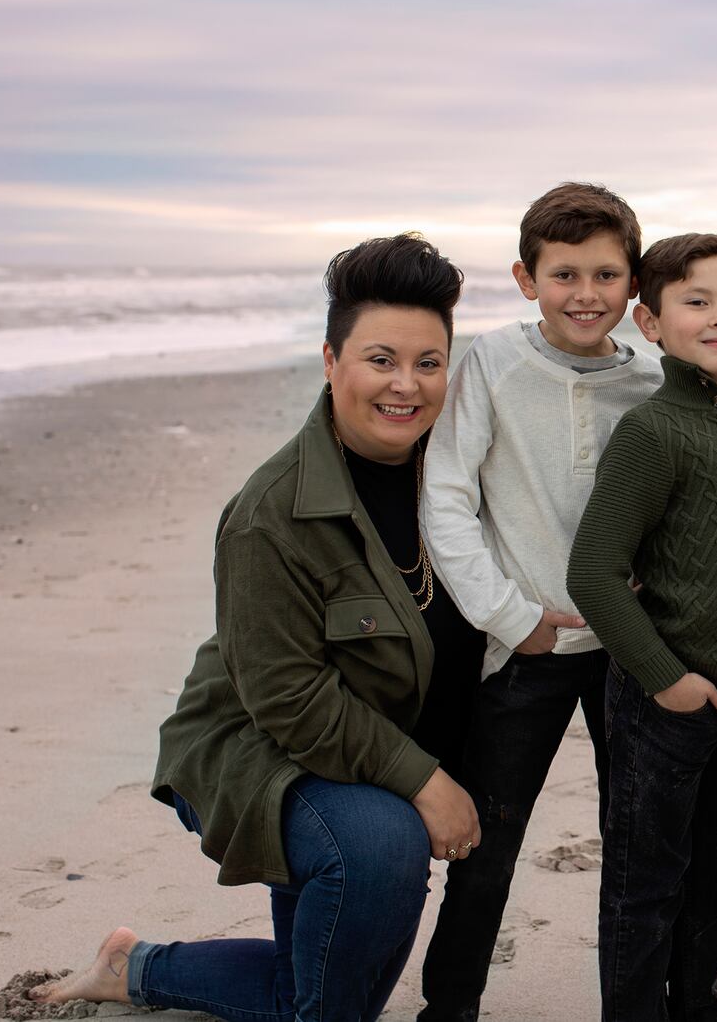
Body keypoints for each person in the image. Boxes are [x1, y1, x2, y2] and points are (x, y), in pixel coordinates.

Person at [32, 233, 483, 1022]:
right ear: (330, 361)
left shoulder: (460, 472)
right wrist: (425, 780)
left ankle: (133, 967)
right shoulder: (270, 512)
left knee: (312, 993)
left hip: (363, 751)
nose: (405, 386)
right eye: (380, 359)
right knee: (381, 849)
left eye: (428, 363)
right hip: (254, 745)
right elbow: (288, 700)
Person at [416, 181, 662, 1020]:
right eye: (565, 274)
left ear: (633, 285)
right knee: (487, 843)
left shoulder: (660, 379)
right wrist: (512, 619)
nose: (585, 295)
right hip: (522, 647)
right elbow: (446, 499)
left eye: (605, 275)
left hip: (633, 652)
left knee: (636, 849)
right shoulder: (490, 362)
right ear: (527, 278)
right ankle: (447, 1007)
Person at [566, 233, 717, 1022]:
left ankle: (699, 1005)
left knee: (709, 870)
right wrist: (665, 678)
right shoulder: (652, 431)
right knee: (644, 881)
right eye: (696, 301)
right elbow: (594, 572)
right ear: (651, 322)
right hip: (662, 703)